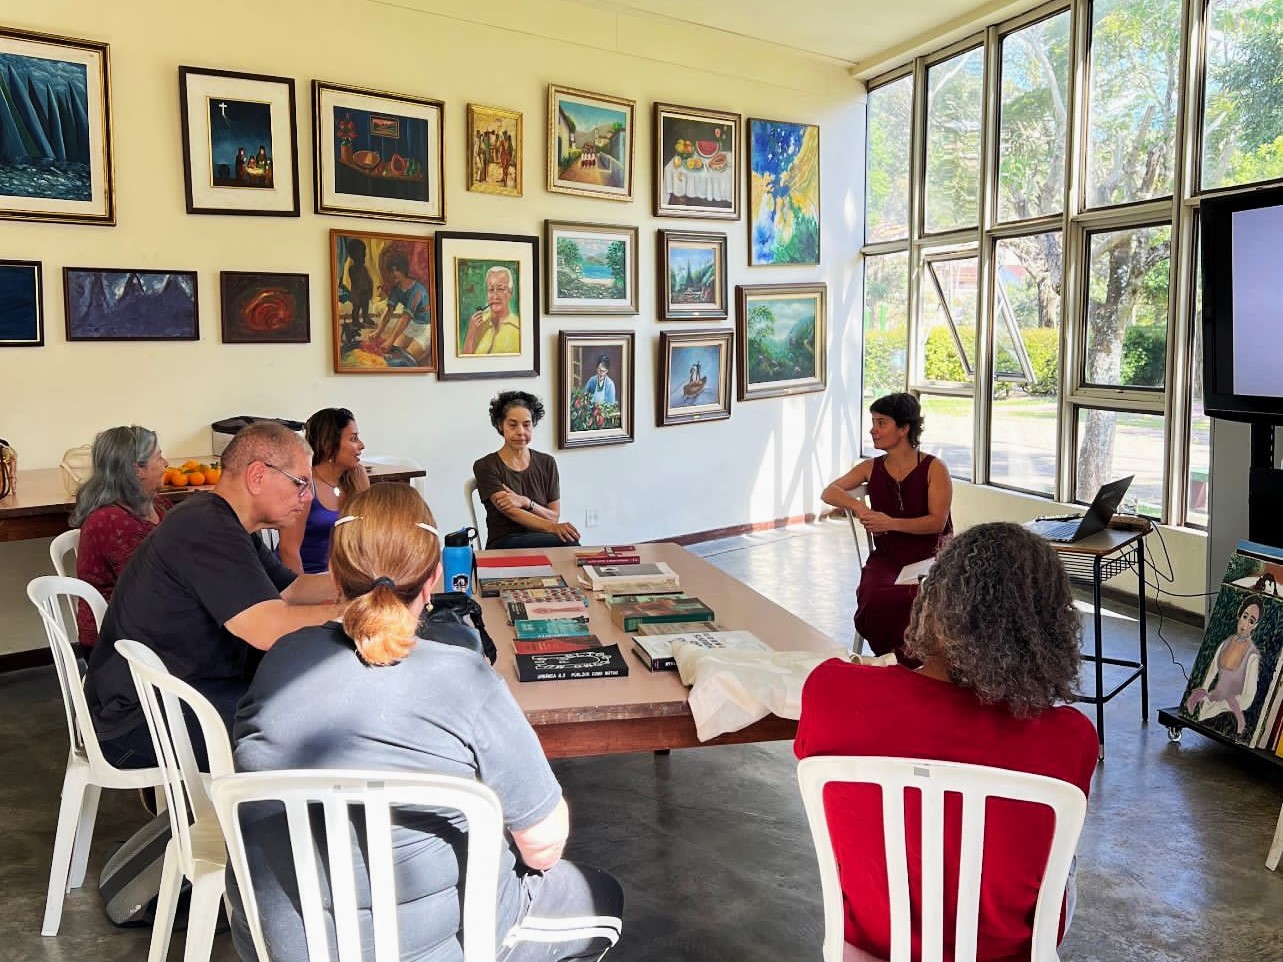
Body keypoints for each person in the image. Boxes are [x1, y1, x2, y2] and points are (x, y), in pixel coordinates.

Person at [229, 484, 623, 962]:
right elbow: (542, 846)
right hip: (448, 948)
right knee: (599, 893)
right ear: (436, 575)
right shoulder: (464, 679)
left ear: (333, 573)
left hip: (286, 946)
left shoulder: (279, 663)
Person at [795, 522, 1098, 962]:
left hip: (871, 945)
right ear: (1048, 630)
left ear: (931, 603)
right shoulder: (1068, 738)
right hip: (1004, 952)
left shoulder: (831, 693)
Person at [84, 422, 345, 769]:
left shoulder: (229, 523)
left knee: (316, 704)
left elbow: (292, 590)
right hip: (140, 715)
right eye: (299, 483)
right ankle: (267, 822)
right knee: (314, 732)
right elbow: (267, 629)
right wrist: (362, 612)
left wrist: (364, 582)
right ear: (256, 476)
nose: (308, 496)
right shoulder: (205, 527)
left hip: (186, 691)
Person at [821, 392, 953, 659]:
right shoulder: (870, 467)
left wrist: (889, 522)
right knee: (874, 598)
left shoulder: (934, 468)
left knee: (917, 598)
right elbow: (829, 492)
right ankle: (894, 660)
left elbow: (937, 523)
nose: (873, 430)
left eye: (881, 423)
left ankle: (918, 662)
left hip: (932, 557)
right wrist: (860, 507)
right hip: (888, 556)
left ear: (904, 428)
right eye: (873, 422)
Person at [69, 425, 172, 650]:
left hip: (149, 622)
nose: (166, 464)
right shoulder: (109, 521)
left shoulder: (160, 505)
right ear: (137, 470)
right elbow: (148, 588)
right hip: (115, 642)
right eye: (159, 457)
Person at [472, 390, 580, 549]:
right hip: (505, 542)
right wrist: (552, 528)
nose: (521, 431)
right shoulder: (485, 465)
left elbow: (554, 516)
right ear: (501, 425)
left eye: (526, 424)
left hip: (543, 537)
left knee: (569, 540)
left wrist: (525, 502)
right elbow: (510, 511)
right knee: (568, 542)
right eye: (513, 424)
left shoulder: (547, 462)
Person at [277, 407, 370, 575]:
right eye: (353, 438)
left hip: (344, 577)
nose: (362, 445)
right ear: (329, 446)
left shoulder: (358, 475)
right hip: (305, 576)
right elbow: (288, 551)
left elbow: (367, 536)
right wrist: (302, 594)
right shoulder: (303, 484)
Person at [1183, 595, 1264, 736]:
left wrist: (1222, 705)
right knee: (1201, 716)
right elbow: (1212, 672)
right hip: (1211, 702)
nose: (1245, 625)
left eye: (1251, 621)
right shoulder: (1225, 643)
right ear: (1239, 615)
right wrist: (1203, 693)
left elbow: (1248, 698)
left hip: (1230, 711)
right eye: (1245, 617)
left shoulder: (1252, 657)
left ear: (1255, 626)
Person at [364, 251, 432, 363]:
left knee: (405, 360)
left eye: (396, 270)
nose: (392, 274)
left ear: (403, 270)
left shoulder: (417, 291)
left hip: (427, 327)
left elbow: (405, 318)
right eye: (391, 271)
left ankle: (428, 348)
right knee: (393, 353)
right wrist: (378, 331)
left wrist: (391, 339)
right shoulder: (396, 290)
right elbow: (389, 312)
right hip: (413, 325)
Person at [461, 266, 521, 355]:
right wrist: (471, 333)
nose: (495, 296)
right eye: (491, 289)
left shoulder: (518, 328)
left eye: (500, 289)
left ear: (510, 293)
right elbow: (463, 362)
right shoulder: (477, 324)